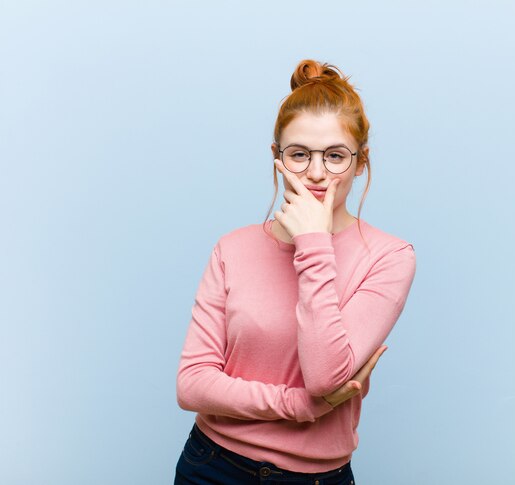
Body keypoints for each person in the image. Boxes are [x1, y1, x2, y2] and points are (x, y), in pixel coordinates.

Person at [174, 59, 417, 485]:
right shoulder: (233, 247)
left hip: (315, 478)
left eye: (336, 156)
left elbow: (326, 376)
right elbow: (192, 384)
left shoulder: (389, 257)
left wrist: (313, 241)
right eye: (300, 154)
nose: (317, 173)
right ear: (276, 158)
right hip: (211, 465)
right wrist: (300, 406)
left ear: (361, 162)